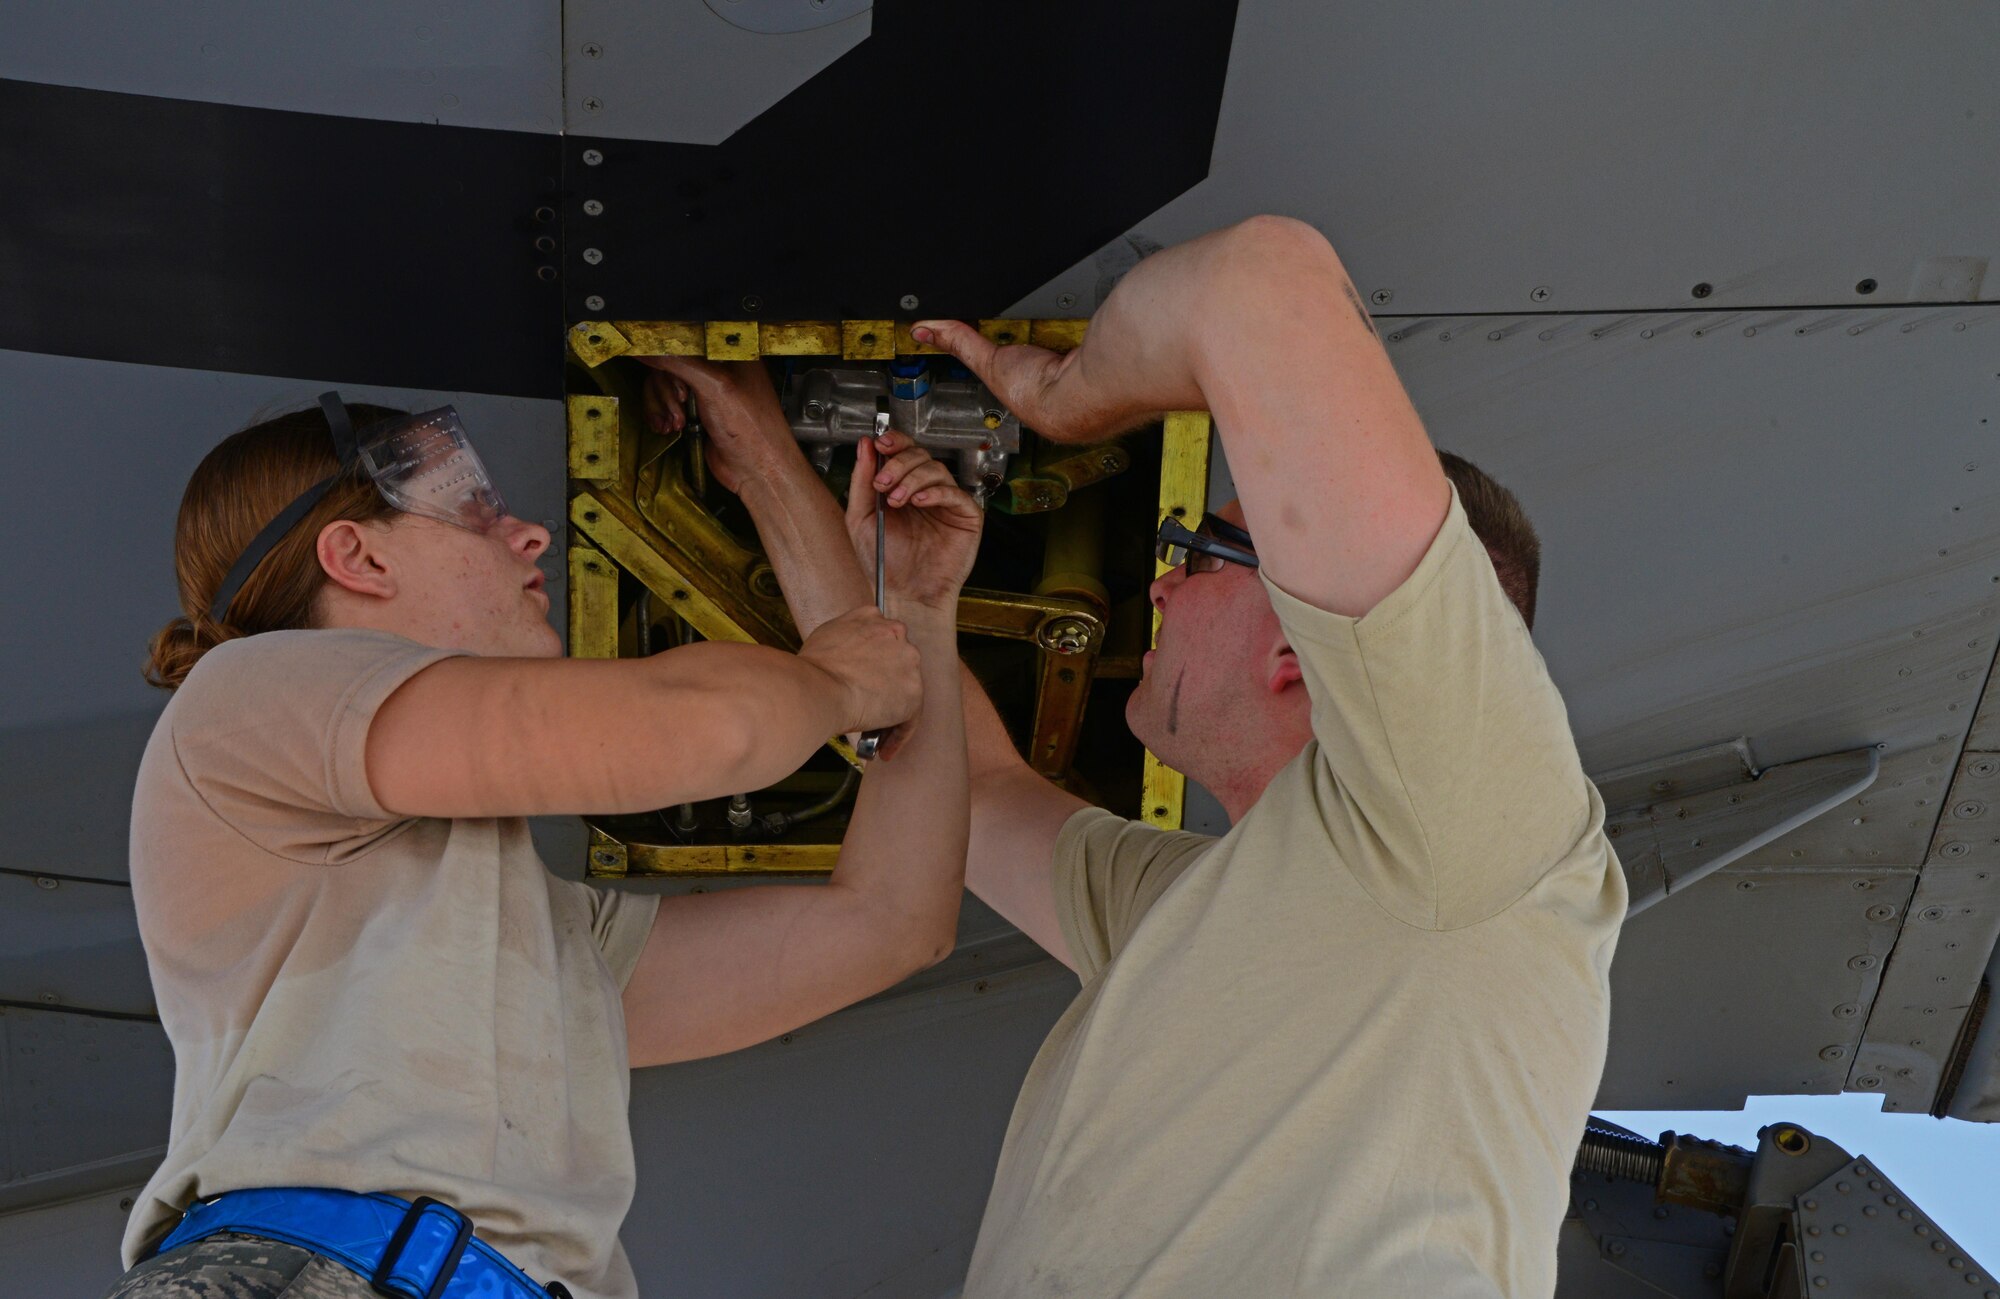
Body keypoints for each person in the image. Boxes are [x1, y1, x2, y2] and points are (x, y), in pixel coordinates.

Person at [675, 215, 1626, 1297]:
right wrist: (780, 477)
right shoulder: (1198, 911)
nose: (1161, 584)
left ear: (1298, 643)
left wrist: (1067, 399)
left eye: (1198, 552)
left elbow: (1261, 280)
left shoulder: (1473, 819)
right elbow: (971, 793)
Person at [109, 392, 980, 1299]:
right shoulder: (244, 695)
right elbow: (707, 727)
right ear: (357, 555)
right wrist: (839, 677)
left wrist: (915, 613)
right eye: (473, 509)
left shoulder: (509, 928)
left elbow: (893, 921)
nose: (529, 537)